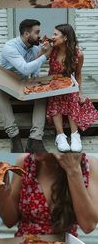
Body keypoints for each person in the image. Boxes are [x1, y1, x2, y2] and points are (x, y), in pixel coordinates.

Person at [0, 19, 52, 153]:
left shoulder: (35, 46)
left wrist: (40, 54)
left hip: (25, 84)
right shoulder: (10, 47)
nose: (40, 35)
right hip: (8, 83)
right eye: (37, 32)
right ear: (26, 34)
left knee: (43, 93)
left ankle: (35, 139)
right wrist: (45, 56)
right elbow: (25, 69)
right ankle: (14, 136)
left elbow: (33, 72)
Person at [47, 24, 98, 153]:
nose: (53, 37)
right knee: (55, 98)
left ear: (65, 37)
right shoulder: (52, 49)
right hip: (53, 85)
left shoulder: (78, 54)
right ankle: (60, 135)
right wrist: (43, 49)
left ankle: (75, 135)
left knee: (72, 96)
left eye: (55, 34)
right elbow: (36, 59)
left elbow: (78, 74)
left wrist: (80, 92)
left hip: (69, 85)